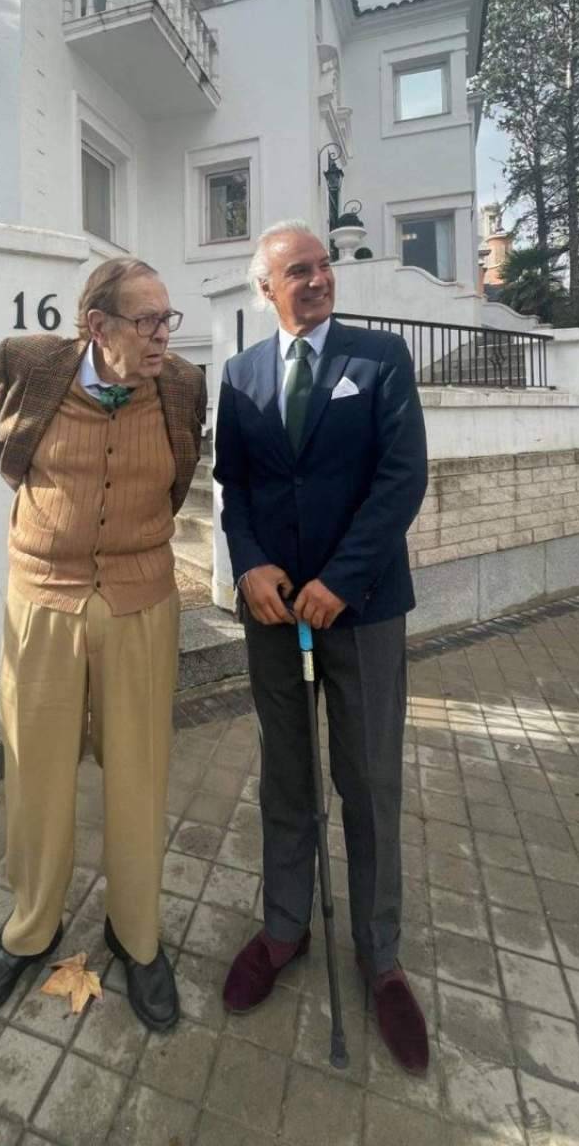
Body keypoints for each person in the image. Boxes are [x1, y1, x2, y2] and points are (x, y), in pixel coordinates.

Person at [0, 256, 206, 1033]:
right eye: (147, 321)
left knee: (139, 772)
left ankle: (137, 936)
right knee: (35, 769)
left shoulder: (183, 385)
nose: (162, 335)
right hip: (43, 598)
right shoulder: (33, 365)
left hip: (141, 600)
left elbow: (182, 468)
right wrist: (30, 483)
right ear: (97, 326)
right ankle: (30, 929)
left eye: (167, 319)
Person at [212, 220, 432, 1073]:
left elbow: (401, 479)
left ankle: (380, 956)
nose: (317, 278)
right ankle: (283, 929)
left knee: (369, 779)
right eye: (297, 270)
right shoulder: (240, 375)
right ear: (265, 289)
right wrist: (250, 565)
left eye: (322, 265)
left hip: (363, 610)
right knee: (288, 774)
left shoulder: (380, 359)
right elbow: (235, 486)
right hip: (275, 617)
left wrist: (339, 578)